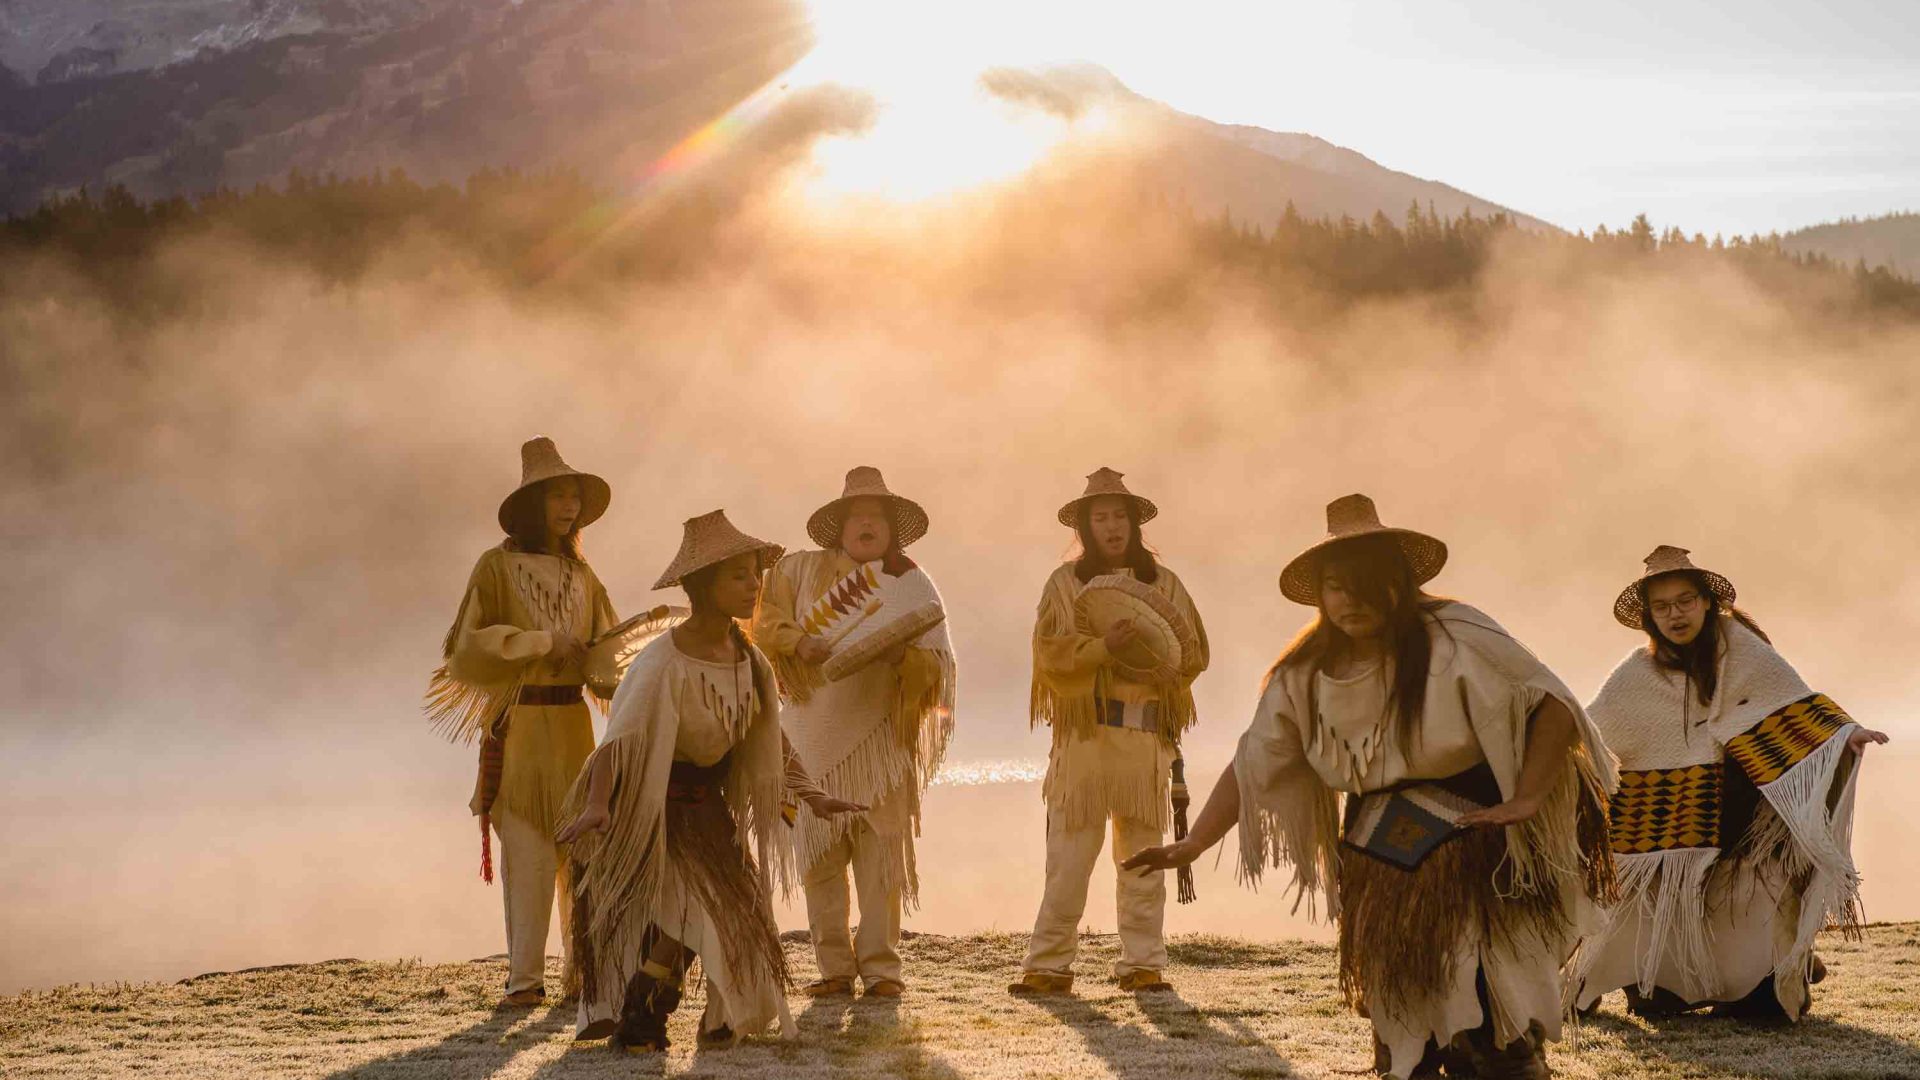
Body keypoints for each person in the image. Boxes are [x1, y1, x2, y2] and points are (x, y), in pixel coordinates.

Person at [1126, 494, 1617, 1080]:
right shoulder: (1303, 674)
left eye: (1367, 583)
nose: (1350, 600)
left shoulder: (1458, 634)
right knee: (1407, 1022)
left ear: (1398, 582)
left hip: (1478, 842)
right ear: (1320, 595)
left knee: (1490, 1008)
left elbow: (1553, 705)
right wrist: (1195, 843)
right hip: (1377, 853)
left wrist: (1529, 798)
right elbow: (1254, 761)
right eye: (1336, 586)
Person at [555, 510, 863, 1052]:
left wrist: (815, 795)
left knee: (730, 916)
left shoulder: (750, 660)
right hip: (648, 807)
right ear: (702, 586)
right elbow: (616, 745)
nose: (753, 586)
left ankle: (704, 1020)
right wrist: (599, 807)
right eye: (738, 576)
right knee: (690, 913)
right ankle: (642, 1021)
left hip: (706, 812)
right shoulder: (660, 661)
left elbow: (771, 741)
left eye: (755, 574)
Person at [1570, 546, 1887, 1023]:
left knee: (1761, 998)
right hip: (1672, 833)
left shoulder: (1745, 651)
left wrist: (1845, 734)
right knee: (1658, 1003)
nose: (1674, 614)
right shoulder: (1636, 673)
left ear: (1706, 602)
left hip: (1746, 828)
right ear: (1649, 617)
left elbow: (1794, 705)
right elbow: (1591, 738)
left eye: (1684, 601)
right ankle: (1672, 981)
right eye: (1661, 607)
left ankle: (1777, 974)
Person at [424, 436, 620, 1007]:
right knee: (530, 858)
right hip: (522, 728)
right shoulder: (496, 566)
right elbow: (465, 648)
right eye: (558, 495)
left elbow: (606, 655)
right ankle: (524, 982)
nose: (569, 507)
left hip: (575, 732)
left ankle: (585, 979)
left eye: (574, 497)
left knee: (584, 858)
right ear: (533, 504)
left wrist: (629, 659)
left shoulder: (585, 577)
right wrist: (538, 642)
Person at [751, 467, 957, 998]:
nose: (867, 525)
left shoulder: (912, 584)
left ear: (893, 529)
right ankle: (835, 971)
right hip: (806, 736)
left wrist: (899, 656)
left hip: (882, 743)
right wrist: (798, 642)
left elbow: (935, 668)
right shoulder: (796, 571)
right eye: (857, 516)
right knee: (819, 857)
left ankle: (883, 971)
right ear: (840, 526)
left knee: (880, 856)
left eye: (877, 517)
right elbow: (761, 619)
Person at [1009, 467, 1209, 996]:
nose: (1112, 526)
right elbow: (1052, 655)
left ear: (1134, 524)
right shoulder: (1063, 584)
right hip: (1085, 740)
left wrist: (1151, 662)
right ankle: (1048, 966)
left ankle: (1144, 964)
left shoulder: (1164, 585)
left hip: (1144, 739)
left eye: (1120, 516)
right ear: (1085, 526)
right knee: (1069, 859)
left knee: (1143, 857)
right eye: (1100, 517)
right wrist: (1104, 649)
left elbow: (1193, 655)